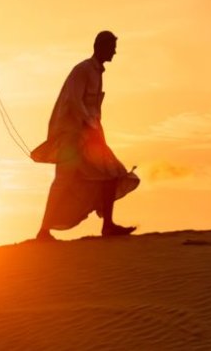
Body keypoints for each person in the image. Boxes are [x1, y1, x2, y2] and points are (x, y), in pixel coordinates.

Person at [31, 31, 140, 239]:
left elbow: (91, 107)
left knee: (111, 173)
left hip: (90, 136)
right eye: (112, 47)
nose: (115, 52)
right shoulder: (82, 70)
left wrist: (95, 130)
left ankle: (108, 225)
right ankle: (44, 230)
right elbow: (73, 100)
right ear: (101, 47)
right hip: (73, 137)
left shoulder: (97, 73)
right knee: (63, 180)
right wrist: (90, 125)